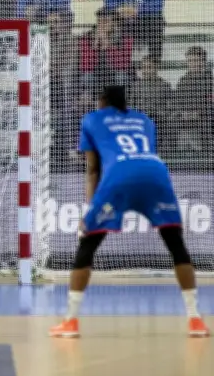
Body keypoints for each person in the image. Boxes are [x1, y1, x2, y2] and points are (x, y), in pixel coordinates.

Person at [50, 86, 209, 338]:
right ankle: (195, 320)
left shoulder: (91, 119)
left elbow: (93, 170)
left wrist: (90, 211)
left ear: (102, 101)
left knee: (87, 245)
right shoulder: (144, 119)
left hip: (118, 178)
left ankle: (70, 321)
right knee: (176, 245)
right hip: (156, 175)